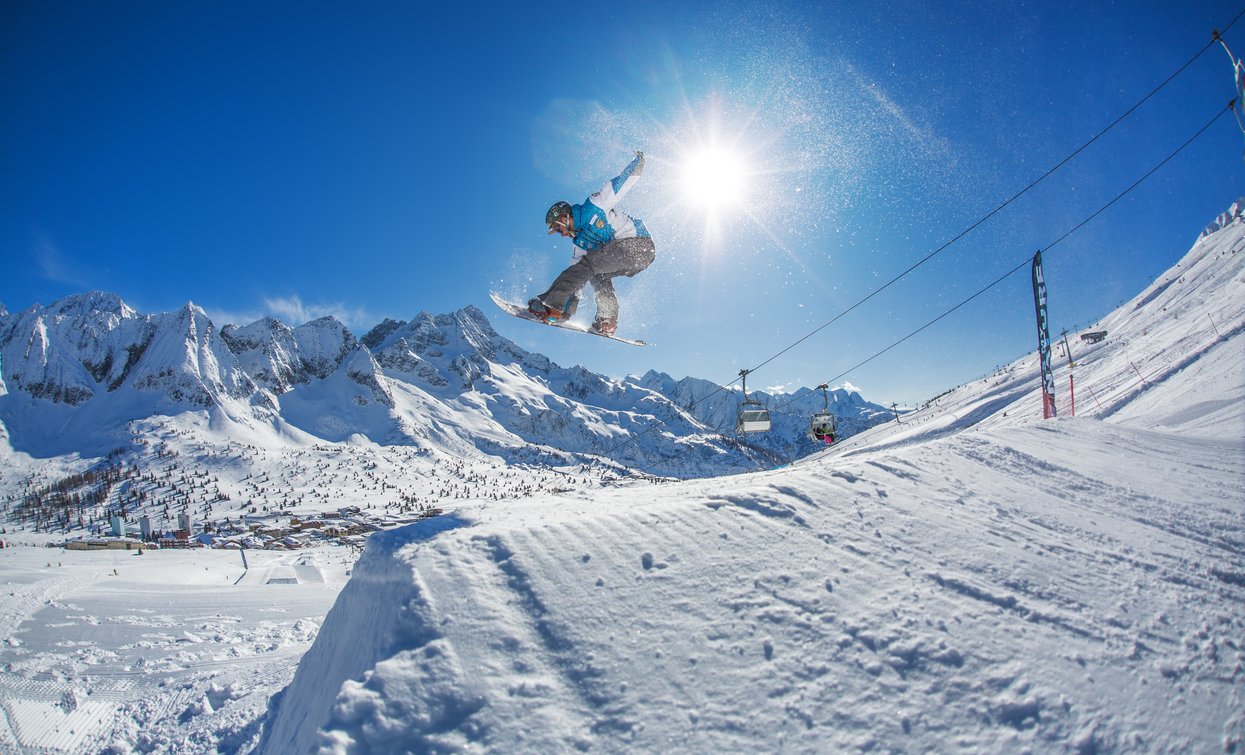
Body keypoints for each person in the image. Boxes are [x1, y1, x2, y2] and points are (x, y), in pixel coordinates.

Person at [528, 151, 655, 336]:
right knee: (595, 274)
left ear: (564, 216)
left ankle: (550, 305)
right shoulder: (580, 244)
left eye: (557, 227)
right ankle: (607, 321)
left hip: (639, 245)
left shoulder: (593, 206)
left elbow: (618, 186)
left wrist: (638, 163)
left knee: (589, 265)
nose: (560, 233)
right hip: (628, 258)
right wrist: (565, 312)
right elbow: (575, 281)